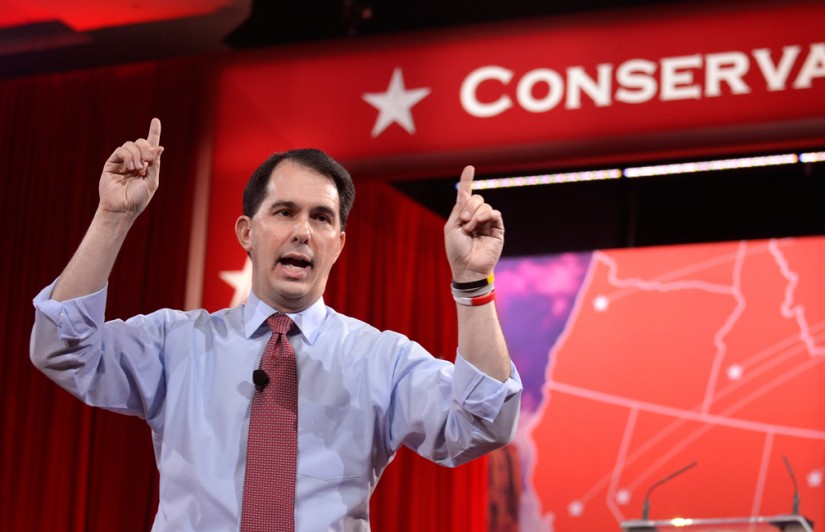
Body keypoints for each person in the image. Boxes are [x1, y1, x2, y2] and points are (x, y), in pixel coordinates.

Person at [30, 118, 522, 531]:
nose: (303, 231)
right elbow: (63, 348)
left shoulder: (382, 359)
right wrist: (113, 216)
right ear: (248, 232)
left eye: (322, 218)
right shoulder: (175, 342)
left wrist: (473, 282)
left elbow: (481, 423)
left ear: (339, 243)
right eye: (285, 211)